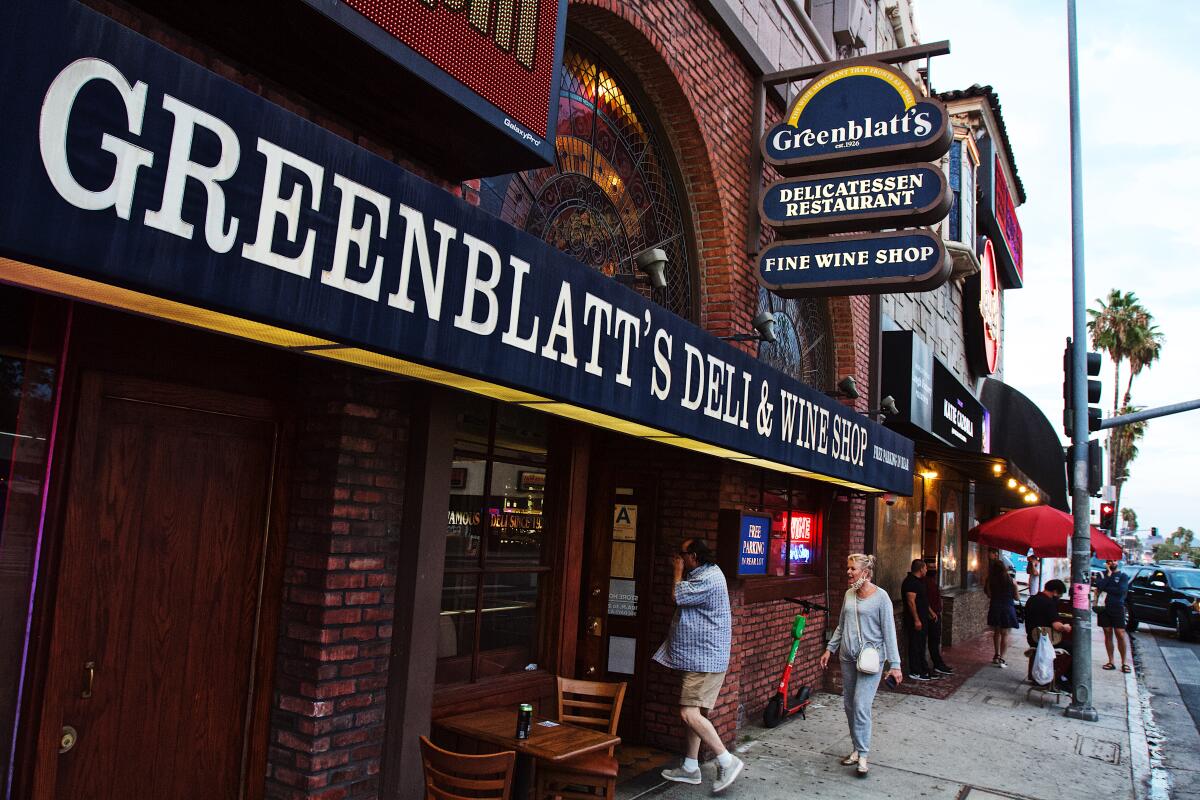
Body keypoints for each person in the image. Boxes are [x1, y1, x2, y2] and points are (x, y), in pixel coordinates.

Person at [656, 538, 743, 792]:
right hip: (701, 657)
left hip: (704, 660)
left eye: (681, 554)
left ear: (693, 556)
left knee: (688, 713)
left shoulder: (708, 579)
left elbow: (676, 595)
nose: (679, 558)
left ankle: (727, 760)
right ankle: (691, 766)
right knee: (696, 713)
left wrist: (677, 571)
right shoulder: (707, 573)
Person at [819, 554, 903, 777]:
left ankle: (863, 755)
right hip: (848, 657)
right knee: (849, 704)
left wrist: (895, 664)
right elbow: (841, 625)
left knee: (861, 704)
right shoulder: (849, 594)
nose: (848, 572)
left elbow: (889, 633)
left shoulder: (881, 598)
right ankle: (856, 748)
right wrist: (830, 649)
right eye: (848, 568)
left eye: (852, 569)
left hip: (871, 660)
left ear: (865, 573)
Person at [1024, 579, 1073, 690]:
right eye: (1059, 595)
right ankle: (1064, 679)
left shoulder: (1031, 599)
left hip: (1032, 639)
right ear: (1055, 592)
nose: (1059, 598)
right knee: (1075, 649)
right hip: (1047, 642)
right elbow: (1056, 626)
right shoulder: (1049, 603)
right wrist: (1065, 627)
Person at [900, 559, 937, 681]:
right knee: (915, 645)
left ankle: (923, 669)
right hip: (915, 620)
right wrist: (916, 619)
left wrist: (931, 612)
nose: (927, 570)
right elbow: (911, 602)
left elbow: (923, 600)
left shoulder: (920, 582)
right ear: (921, 569)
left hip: (923, 618)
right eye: (925, 568)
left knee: (921, 644)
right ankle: (915, 671)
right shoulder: (910, 582)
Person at [1095, 559, 1132, 673]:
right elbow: (1099, 586)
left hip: (1117, 607)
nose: (1112, 563)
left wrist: (1106, 587)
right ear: (1107, 563)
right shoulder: (1101, 574)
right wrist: (1109, 575)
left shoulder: (1123, 576)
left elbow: (1121, 590)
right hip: (1103, 607)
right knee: (1107, 632)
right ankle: (1111, 661)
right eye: (1110, 561)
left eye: (1114, 561)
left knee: (1120, 633)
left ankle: (1124, 662)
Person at [984, 557, 1019, 667]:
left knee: (997, 633)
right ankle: (1002, 658)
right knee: (1005, 634)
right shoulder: (1011, 580)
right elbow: (1017, 598)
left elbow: (989, 595)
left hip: (995, 607)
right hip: (1007, 608)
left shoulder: (990, 580)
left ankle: (996, 655)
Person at [921, 559, 954, 675]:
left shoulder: (931, 581)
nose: (932, 569)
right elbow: (924, 600)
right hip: (931, 616)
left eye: (934, 566)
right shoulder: (925, 582)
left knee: (935, 641)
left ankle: (938, 663)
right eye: (929, 567)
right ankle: (937, 664)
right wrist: (931, 613)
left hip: (935, 614)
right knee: (933, 641)